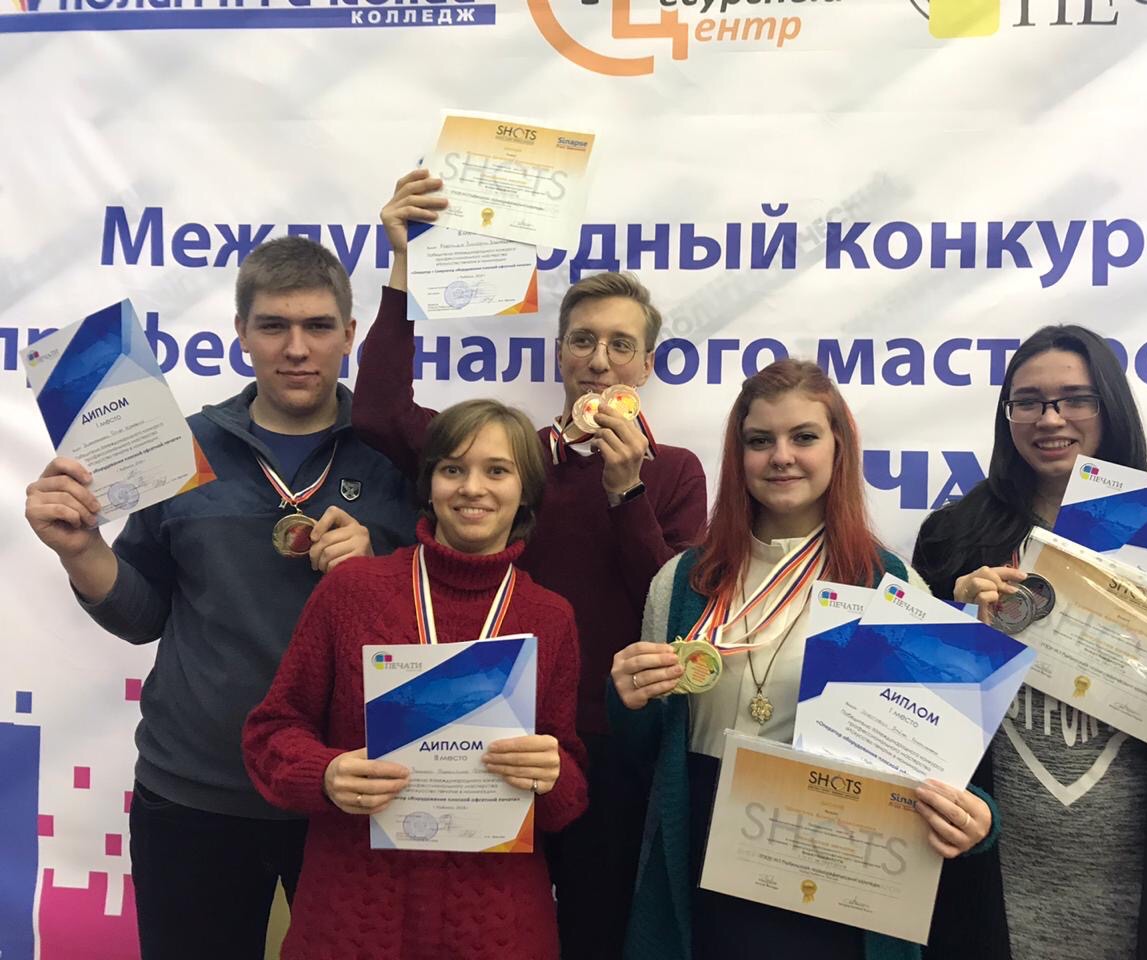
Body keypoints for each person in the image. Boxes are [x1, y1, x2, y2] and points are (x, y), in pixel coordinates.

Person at [22, 236, 418, 960]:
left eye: (318, 326)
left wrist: (379, 569)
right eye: (273, 326)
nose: (296, 348)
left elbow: (445, 617)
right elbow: (143, 615)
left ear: (350, 335)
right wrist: (80, 551)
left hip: (353, 791)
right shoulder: (181, 449)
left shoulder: (400, 458)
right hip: (194, 792)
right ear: (240, 333)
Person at [351, 169, 708, 958]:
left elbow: (672, 611)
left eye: (621, 345)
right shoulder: (511, 458)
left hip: (605, 746)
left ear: (647, 365)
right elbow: (377, 412)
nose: (600, 360)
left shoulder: (675, 471)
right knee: (478, 929)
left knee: (594, 932)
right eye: (583, 340)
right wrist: (403, 266)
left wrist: (626, 490)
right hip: (475, 731)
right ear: (560, 355)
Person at [608, 359, 998, 960]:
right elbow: (645, 758)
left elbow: (928, 753)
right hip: (702, 860)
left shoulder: (889, 584)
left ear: (838, 447)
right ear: (738, 455)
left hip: (836, 863)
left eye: (804, 437)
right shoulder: (683, 581)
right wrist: (629, 704)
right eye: (760, 440)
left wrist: (975, 818)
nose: (781, 457)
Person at [911, 324, 1147, 960]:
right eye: (1028, 401)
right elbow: (911, 709)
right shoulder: (953, 536)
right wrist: (950, 613)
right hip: (993, 875)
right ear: (1007, 414)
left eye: (1076, 398)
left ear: (1111, 406)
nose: (1050, 418)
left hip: (1145, 875)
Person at [241, 398, 588, 960]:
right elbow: (270, 732)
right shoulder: (353, 591)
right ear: (429, 484)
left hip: (494, 929)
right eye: (453, 468)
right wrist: (324, 773)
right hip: (351, 919)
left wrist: (552, 774)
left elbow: (567, 796)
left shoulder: (550, 617)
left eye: (497, 471)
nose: (472, 488)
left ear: (525, 490)